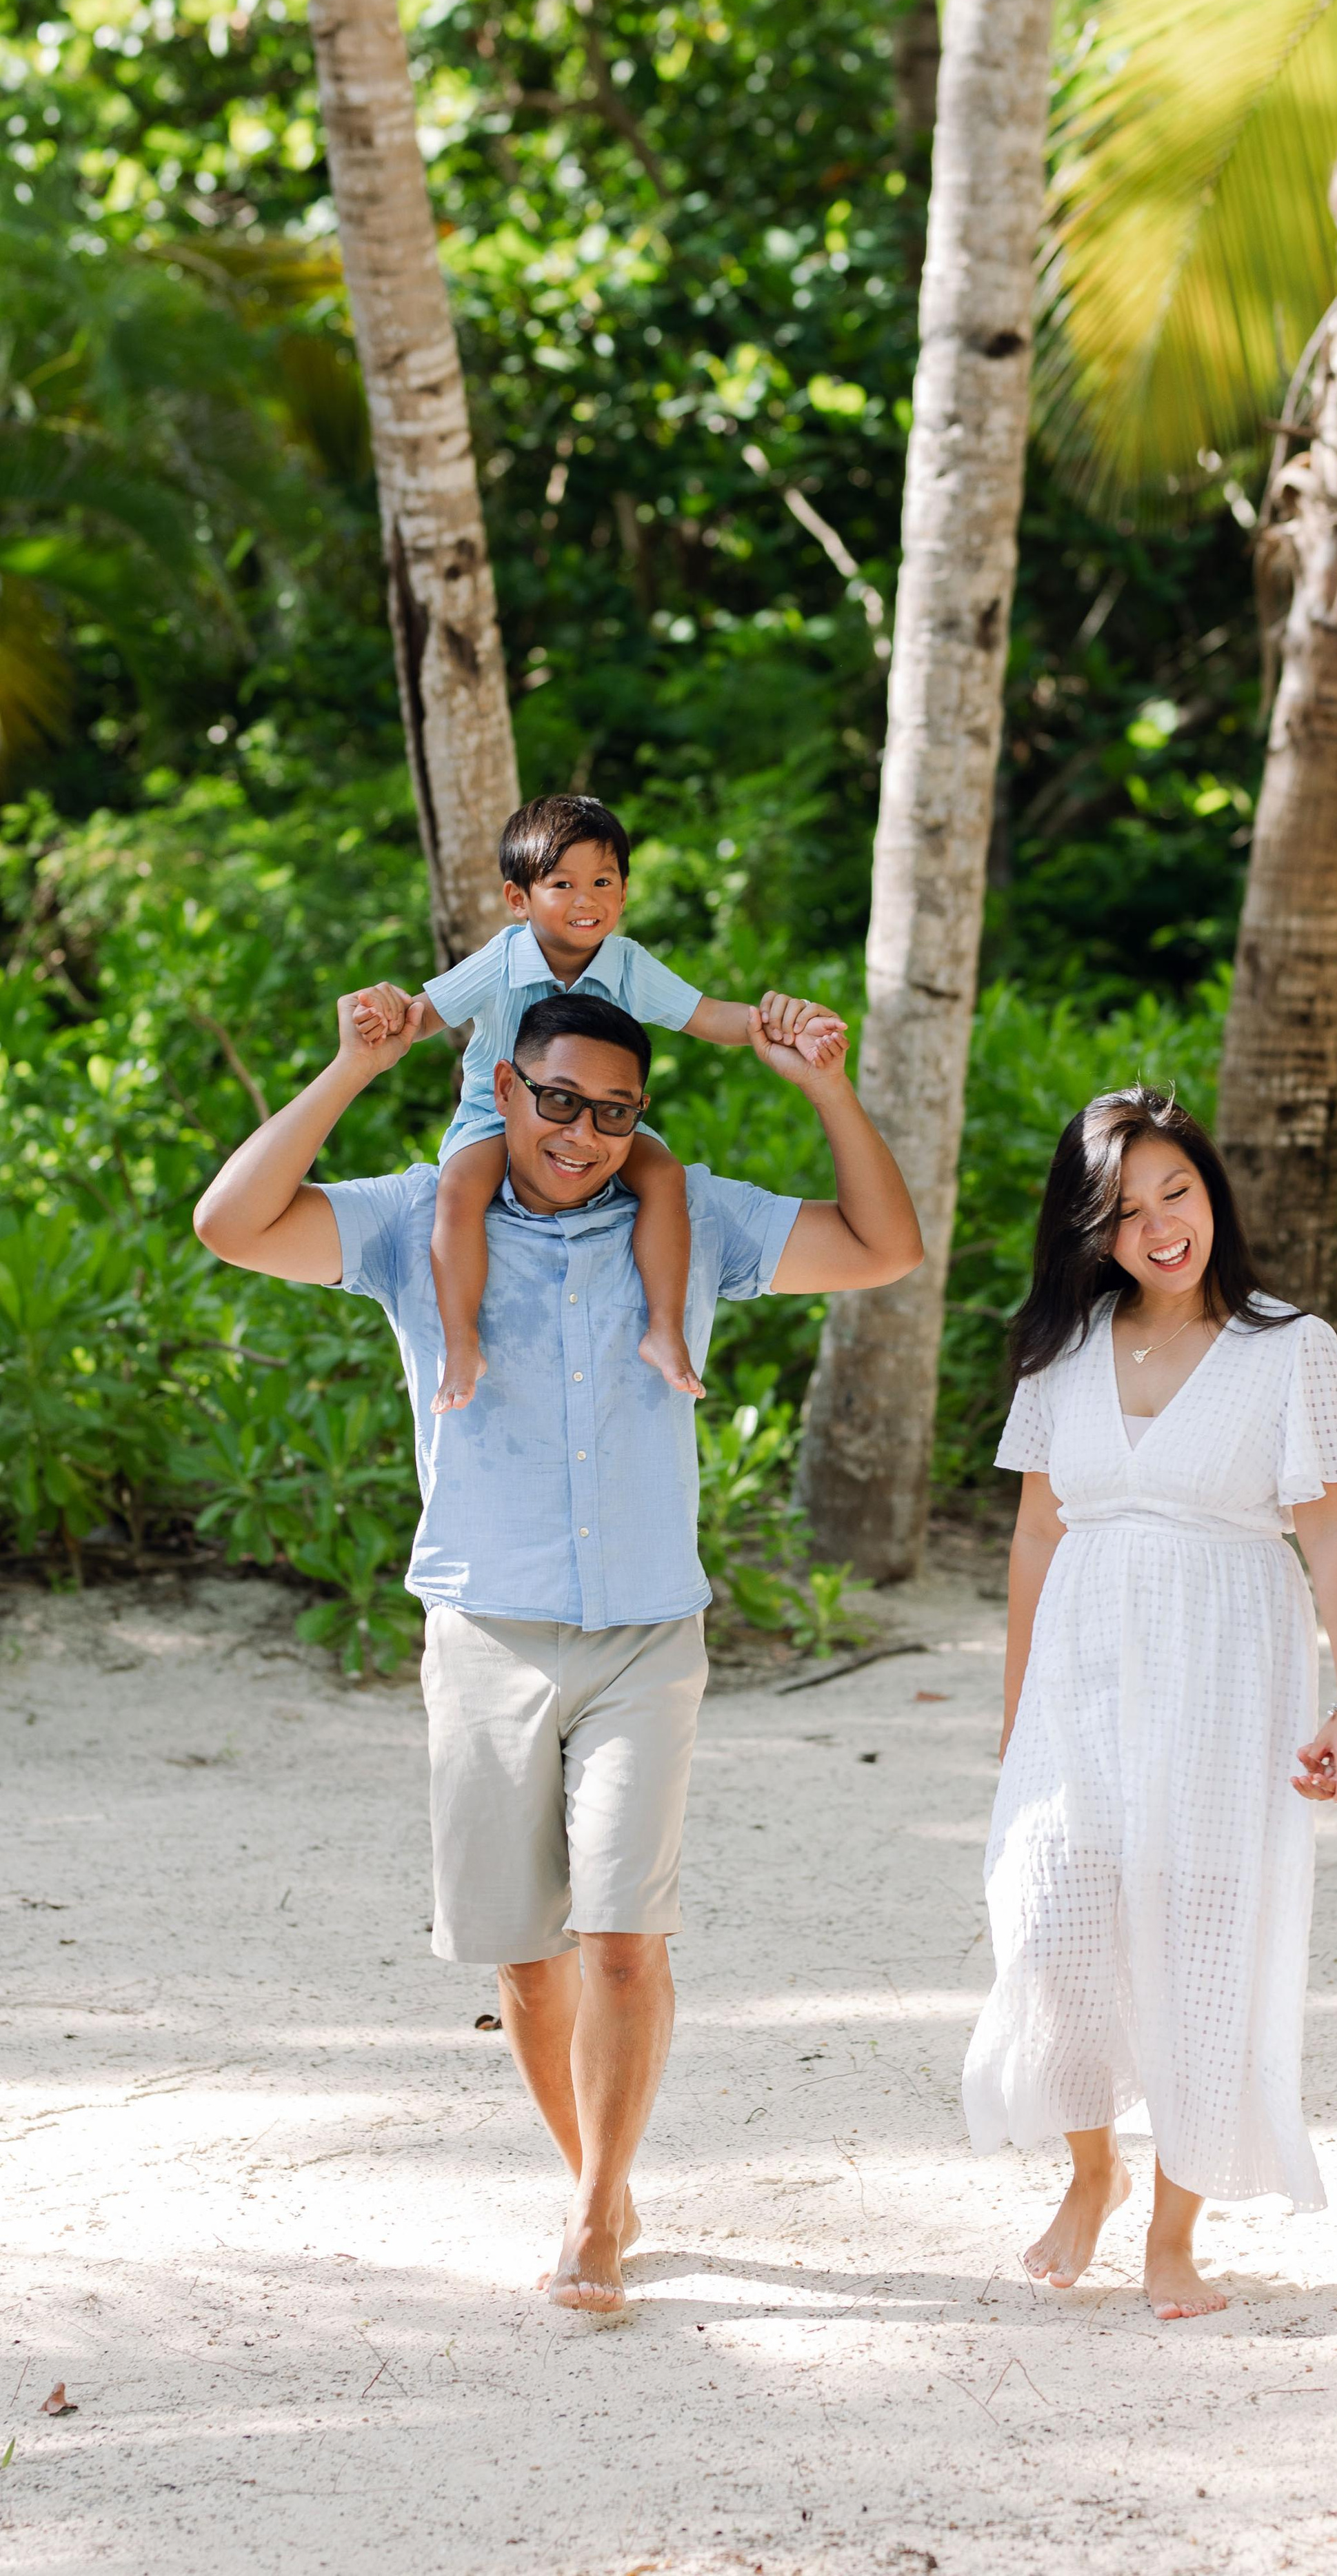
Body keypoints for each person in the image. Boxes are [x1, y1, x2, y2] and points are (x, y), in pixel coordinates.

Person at [192, 981, 921, 2315]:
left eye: (614, 1111)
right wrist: (351, 1067)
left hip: (647, 1627)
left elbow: (882, 1245)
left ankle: (594, 2207)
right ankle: (599, 2167)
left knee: (624, 1938)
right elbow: (231, 1222)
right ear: (508, 1090)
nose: (582, 1132)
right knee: (524, 1956)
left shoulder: (690, 1217)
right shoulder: (422, 1216)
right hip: (484, 1625)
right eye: (558, 1101)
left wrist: (815, 1080)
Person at [963, 1085, 1337, 2320]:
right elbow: (1036, 1534)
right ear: (1085, 1228)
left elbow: (1330, 1540)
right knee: (1051, 1924)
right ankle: (1090, 2171)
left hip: (1225, 1677)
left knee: (1208, 1936)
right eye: (1124, 1207)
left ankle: (1173, 2226)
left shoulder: (1286, 1349)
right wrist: (1014, 1716)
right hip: (1079, 1683)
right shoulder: (1062, 1351)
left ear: (1211, 1194)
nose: (1160, 1224)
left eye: (1177, 1192)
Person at [355, 792, 844, 1413]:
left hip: (598, 1119)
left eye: (603, 881)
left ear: (624, 891)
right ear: (518, 899)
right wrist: (388, 1012)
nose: (586, 899)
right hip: (495, 1115)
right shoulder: (500, 960)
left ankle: (665, 1329)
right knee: (458, 1191)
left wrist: (778, 1025)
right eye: (562, 883)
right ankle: (460, 1342)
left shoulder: (627, 964)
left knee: (665, 1176)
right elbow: (425, 1014)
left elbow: (706, 1015)